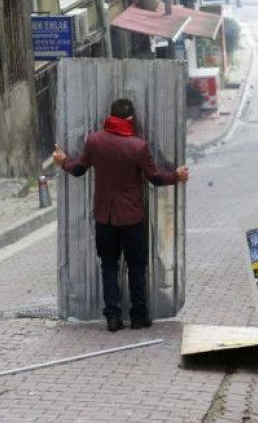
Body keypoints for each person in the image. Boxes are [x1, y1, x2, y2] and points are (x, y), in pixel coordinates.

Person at [53, 99, 189, 331]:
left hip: (104, 218)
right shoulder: (138, 146)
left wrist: (62, 161)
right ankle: (138, 316)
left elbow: (78, 170)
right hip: (132, 219)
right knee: (137, 267)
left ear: (110, 116)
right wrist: (177, 176)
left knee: (109, 266)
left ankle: (113, 318)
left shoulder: (94, 141)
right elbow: (156, 178)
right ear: (130, 119)